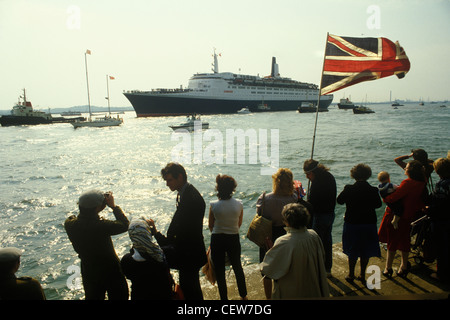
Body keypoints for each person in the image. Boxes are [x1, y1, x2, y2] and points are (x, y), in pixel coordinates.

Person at [148, 162, 207, 300]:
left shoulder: (190, 198)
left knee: (190, 289)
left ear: (180, 177)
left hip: (189, 255)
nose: (167, 184)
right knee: (190, 287)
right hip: (190, 253)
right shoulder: (186, 193)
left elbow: (183, 232)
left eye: (169, 180)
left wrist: (161, 239)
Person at [64, 189, 129, 300]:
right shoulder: (101, 226)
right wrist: (113, 206)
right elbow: (124, 224)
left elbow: (77, 217)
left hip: (89, 270)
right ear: (98, 207)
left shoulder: (70, 224)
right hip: (111, 270)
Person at [260, 203, 329, 299]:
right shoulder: (314, 235)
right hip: (313, 288)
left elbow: (268, 269)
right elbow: (322, 257)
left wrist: (270, 252)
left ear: (287, 221)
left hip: (292, 292)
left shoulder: (284, 241)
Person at [378, 160, 427, 278]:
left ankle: (387, 268)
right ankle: (403, 266)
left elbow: (393, 198)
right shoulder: (421, 182)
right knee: (405, 240)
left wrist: (384, 199)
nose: (405, 168)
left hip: (397, 215)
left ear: (411, 171)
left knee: (392, 241)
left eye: (407, 167)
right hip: (408, 215)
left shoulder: (408, 182)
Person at [337, 164, 382, 284]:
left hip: (352, 223)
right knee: (365, 250)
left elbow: (339, 201)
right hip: (368, 223)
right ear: (368, 175)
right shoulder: (373, 190)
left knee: (352, 249)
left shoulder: (349, 188)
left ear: (354, 175)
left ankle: (351, 274)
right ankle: (362, 274)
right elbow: (378, 205)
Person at [208, 174, 247, 300]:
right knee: (237, 267)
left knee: (219, 271)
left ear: (218, 189)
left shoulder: (213, 205)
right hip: (233, 237)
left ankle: (224, 299)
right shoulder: (239, 204)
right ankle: (243, 295)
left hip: (217, 238)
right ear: (232, 189)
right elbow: (239, 223)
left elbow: (210, 225)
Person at [121, 218, 174, 299]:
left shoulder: (127, 260)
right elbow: (170, 246)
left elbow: (128, 274)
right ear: (148, 233)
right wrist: (155, 232)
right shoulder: (162, 254)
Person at [255, 168, 298, 263]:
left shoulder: (265, 199)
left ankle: (266, 277)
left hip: (268, 233)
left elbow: (259, 214)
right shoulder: (294, 198)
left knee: (266, 261)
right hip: (287, 233)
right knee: (284, 262)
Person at [303, 159, 336, 276]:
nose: (307, 177)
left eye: (308, 174)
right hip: (330, 215)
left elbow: (312, 204)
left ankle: (317, 269)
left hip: (319, 216)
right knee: (327, 242)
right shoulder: (329, 176)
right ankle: (328, 269)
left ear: (313, 172)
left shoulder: (316, 183)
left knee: (316, 244)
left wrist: (302, 200)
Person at [427, 158, 450, 283]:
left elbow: (439, 204)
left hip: (442, 220)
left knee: (441, 247)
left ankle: (441, 274)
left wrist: (428, 208)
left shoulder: (442, 184)